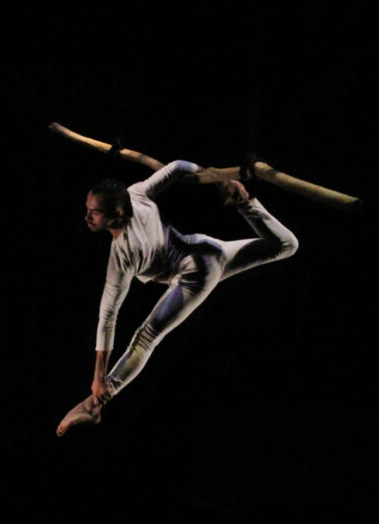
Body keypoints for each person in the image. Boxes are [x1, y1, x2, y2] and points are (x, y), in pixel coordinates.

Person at [56, 160, 298, 436]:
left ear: (115, 215)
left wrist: (99, 378)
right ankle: (247, 203)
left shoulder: (122, 254)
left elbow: (109, 315)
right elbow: (178, 166)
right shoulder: (136, 194)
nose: (87, 217)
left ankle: (96, 403)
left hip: (195, 272)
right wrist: (220, 180)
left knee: (146, 336)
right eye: (88, 210)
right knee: (286, 245)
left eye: (94, 213)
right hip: (208, 249)